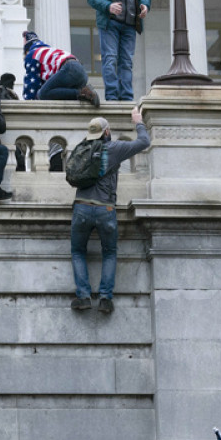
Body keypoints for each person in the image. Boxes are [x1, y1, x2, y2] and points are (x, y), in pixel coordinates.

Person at [70, 106, 150, 315]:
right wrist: (138, 121)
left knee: (78, 252)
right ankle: (105, 299)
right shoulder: (113, 148)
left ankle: (83, 296)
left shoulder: (81, 148)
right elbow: (144, 142)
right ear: (106, 132)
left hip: (81, 206)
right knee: (109, 253)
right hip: (105, 208)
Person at [87, 0, 151, 102]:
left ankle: (127, 98)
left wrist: (144, 4)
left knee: (126, 62)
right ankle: (112, 97)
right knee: (110, 59)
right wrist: (108, 6)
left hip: (130, 23)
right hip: (110, 24)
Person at [22, 31, 100, 106]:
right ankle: (85, 94)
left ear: (27, 50)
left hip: (70, 69)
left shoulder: (32, 54)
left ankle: (83, 92)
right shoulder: (49, 51)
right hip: (81, 73)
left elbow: (31, 83)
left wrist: (29, 102)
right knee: (55, 93)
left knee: (43, 94)